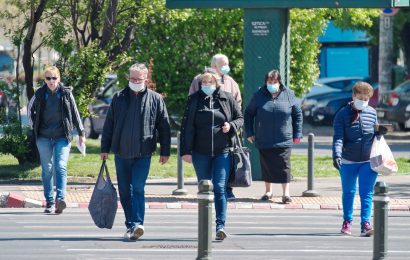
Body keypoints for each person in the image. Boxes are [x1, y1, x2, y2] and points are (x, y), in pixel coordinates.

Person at [100, 63, 171, 241]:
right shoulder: (118, 97)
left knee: (137, 188)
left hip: (143, 153)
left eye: (138, 79)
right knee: (124, 191)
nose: (135, 81)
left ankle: (138, 223)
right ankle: (131, 225)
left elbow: (164, 127)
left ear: (146, 79)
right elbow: (109, 125)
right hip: (121, 153)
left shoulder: (155, 99)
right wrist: (104, 148)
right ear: (128, 78)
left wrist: (165, 151)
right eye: (132, 78)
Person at [180, 71, 243, 241]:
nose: (207, 85)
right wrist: (185, 151)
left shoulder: (227, 98)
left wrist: (231, 125)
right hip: (200, 153)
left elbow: (240, 118)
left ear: (216, 83)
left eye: (210, 82)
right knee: (204, 188)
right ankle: (205, 225)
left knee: (220, 187)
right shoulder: (194, 100)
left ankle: (220, 225)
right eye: (204, 83)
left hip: (223, 152)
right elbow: (186, 126)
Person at [28, 66, 85, 214]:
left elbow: (75, 112)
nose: (51, 81)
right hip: (43, 137)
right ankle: (49, 202)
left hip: (62, 136)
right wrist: (34, 125)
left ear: (59, 79)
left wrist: (81, 132)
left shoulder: (66, 93)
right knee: (47, 169)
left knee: (60, 166)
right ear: (45, 80)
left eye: (54, 78)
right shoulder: (40, 93)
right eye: (48, 78)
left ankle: (60, 200)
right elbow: (29, 109)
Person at [332, 81, 387, 237]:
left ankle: (365, 223)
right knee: (349, 192)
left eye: (366, 98)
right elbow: (338, 138)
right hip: (348, 160)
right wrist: (336, 154)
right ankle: (347, 222)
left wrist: (380, 132)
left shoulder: (372, 112)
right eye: (360, 97)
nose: (363, 101)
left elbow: (375, 134)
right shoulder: (342, 114)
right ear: (353, 96)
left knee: (366, 193)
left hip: (368, 160)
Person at [244, 69, 302, 204]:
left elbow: (297, 115)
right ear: (266, 82)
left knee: (284, 166)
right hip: (264, 137)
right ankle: (268, 191)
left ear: (279, 82)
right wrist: (250, 132)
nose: (272, 84)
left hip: (284, 138)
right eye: (270, 81)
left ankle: (286, 194)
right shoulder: (258, 95)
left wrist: (297, 134)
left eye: (275, 81)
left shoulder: (289, 94)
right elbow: (248, 114)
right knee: (267, 165)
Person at [188, 53, 241, 200]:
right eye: (222, 64)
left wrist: (231, 124)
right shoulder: (198, 80)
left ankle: (227, 189)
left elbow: (238, 105)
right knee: (205, 175)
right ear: (213, 66)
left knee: (225, 168)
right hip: (202, 139)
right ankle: (207, 193)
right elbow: (192, 101)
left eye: (227, 64)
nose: (226, 67)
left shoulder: (231, 82)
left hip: (225, 135)